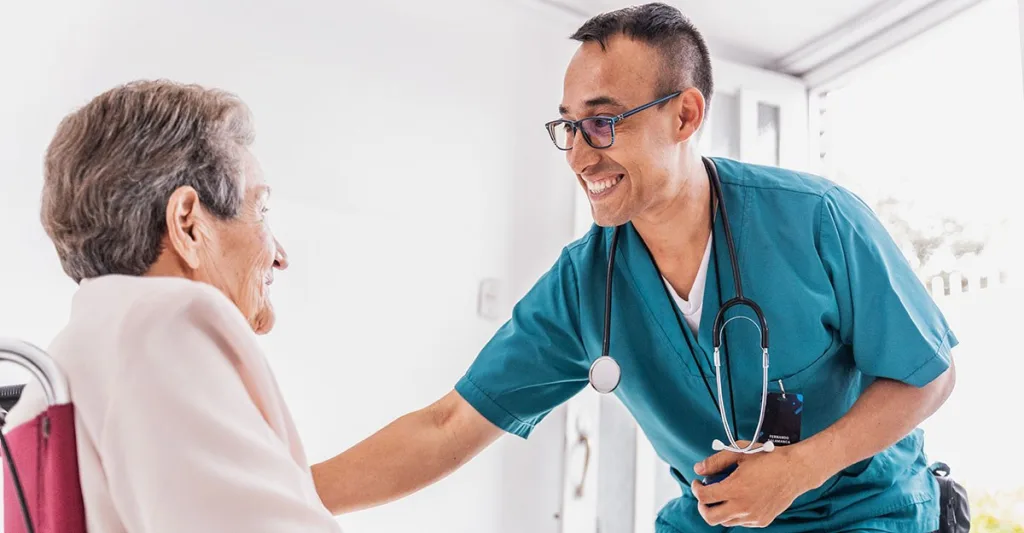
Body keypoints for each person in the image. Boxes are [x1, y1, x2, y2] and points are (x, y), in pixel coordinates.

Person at [311, 4, 958, 532]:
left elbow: (930, 373)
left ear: (685, 115)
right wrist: (274, 494)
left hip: (868, 514)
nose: (578, 157)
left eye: (601, 123)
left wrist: (801, 468)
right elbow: (447, 424)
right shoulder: (584, 285)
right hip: (715, 522)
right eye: (568, 128)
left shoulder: (817, 219)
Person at [4, 80, 342, 532]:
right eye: (260, 211)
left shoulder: (91, 349)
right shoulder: (162, 327)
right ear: (187, 224)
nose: (280, 253)